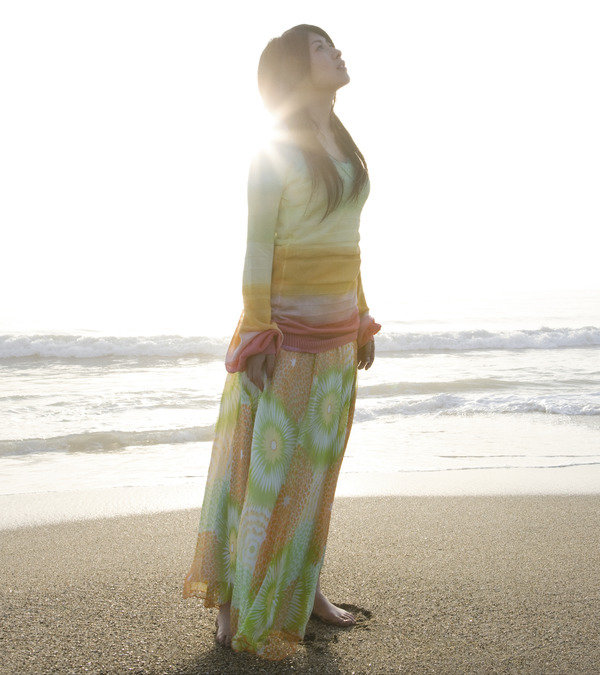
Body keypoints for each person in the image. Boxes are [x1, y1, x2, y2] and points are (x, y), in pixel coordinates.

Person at [182, 23, 381, 661]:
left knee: (316, 476)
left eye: (332, 42)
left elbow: (348, 242)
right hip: (286, 340)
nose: (336, 50)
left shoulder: (342, 145)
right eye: (321, 46)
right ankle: (235, 600)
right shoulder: (272, 150)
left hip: (337, 340)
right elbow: (256, 251)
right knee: (262, 476)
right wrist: (260, 332)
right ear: (295, 68)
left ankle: (307, 589)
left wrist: (362, 317)